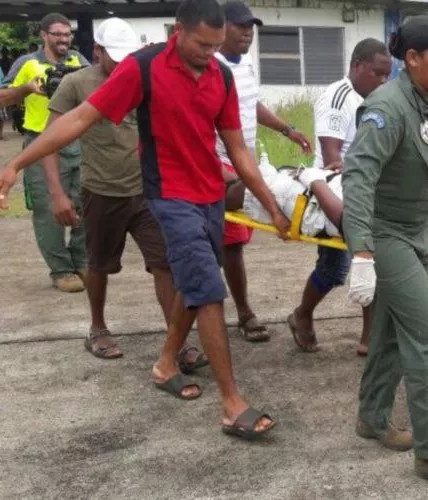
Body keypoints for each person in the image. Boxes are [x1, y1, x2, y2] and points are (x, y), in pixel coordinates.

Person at [0, 0, 291, 441]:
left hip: (209, 194)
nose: (208, 54)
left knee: (194, 285)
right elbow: (80, 117)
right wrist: (18, 164)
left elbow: (237, 149)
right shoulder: (143, 67)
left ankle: (165, 362)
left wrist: (269, 202)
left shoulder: (221, 75)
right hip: (167, 194)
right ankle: (232, 403)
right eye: (200, 44)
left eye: (216, 47)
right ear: (178, 31)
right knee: (207, 289)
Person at [341, 16, 428, 485]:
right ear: (413, 59)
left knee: (386, 335)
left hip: (416, 233)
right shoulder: (386, 108)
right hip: (385, 237)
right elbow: (358, 177)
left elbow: (426, 177)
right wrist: (361, 251)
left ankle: (373, 418)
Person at [41, 17, 206, 369]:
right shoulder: (76, 84)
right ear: (97, 50)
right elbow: (49, 140)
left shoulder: (142, 78)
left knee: (164, 264)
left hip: (146, 192)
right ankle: (97, 328)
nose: (120, 63)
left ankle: (176, 339)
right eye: (113, 56)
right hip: (100, 192)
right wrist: (57, 193)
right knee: (98, 265)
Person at [215, 1, 312, 343]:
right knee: (223, 244)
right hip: (219, 163)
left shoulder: (246, 65)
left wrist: (288, 129)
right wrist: (223, 172)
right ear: (220, 26)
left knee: (234, 243)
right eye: (240, 26)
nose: (247, 33)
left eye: (250, 27)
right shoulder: (210, 66)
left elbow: (250, 104)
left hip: (246, 160)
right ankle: (241, 313)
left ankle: (234, 311)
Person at [289, 38, 392, 356]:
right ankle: (302, 315)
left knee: (371, 261)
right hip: (336, 193)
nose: (383, 81)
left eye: (387, 75)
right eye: (377, 73)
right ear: (358, 66)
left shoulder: (375, 101)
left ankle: (368, 336)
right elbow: (333, 159)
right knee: (336, 270)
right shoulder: (339, 97)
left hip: (366, 191)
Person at [226, 163, 428, 253]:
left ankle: (194, 195)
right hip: (328, 187)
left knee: (236, 192)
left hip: (311, 203)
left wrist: (316, 181)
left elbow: (350, 223)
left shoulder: (418, 227)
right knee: (245, 178)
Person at [0, 13, 90, 293]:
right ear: (43, 35)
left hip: (78, 140)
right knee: (48, 207)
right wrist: (26, 89)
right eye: (57, 34)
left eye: (67, 34)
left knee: (86, 201)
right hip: (41, 142)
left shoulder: (78, 61)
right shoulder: (28, 63)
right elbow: (2, 96)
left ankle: (82, 259)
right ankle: (60, 269)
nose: (64, 39)